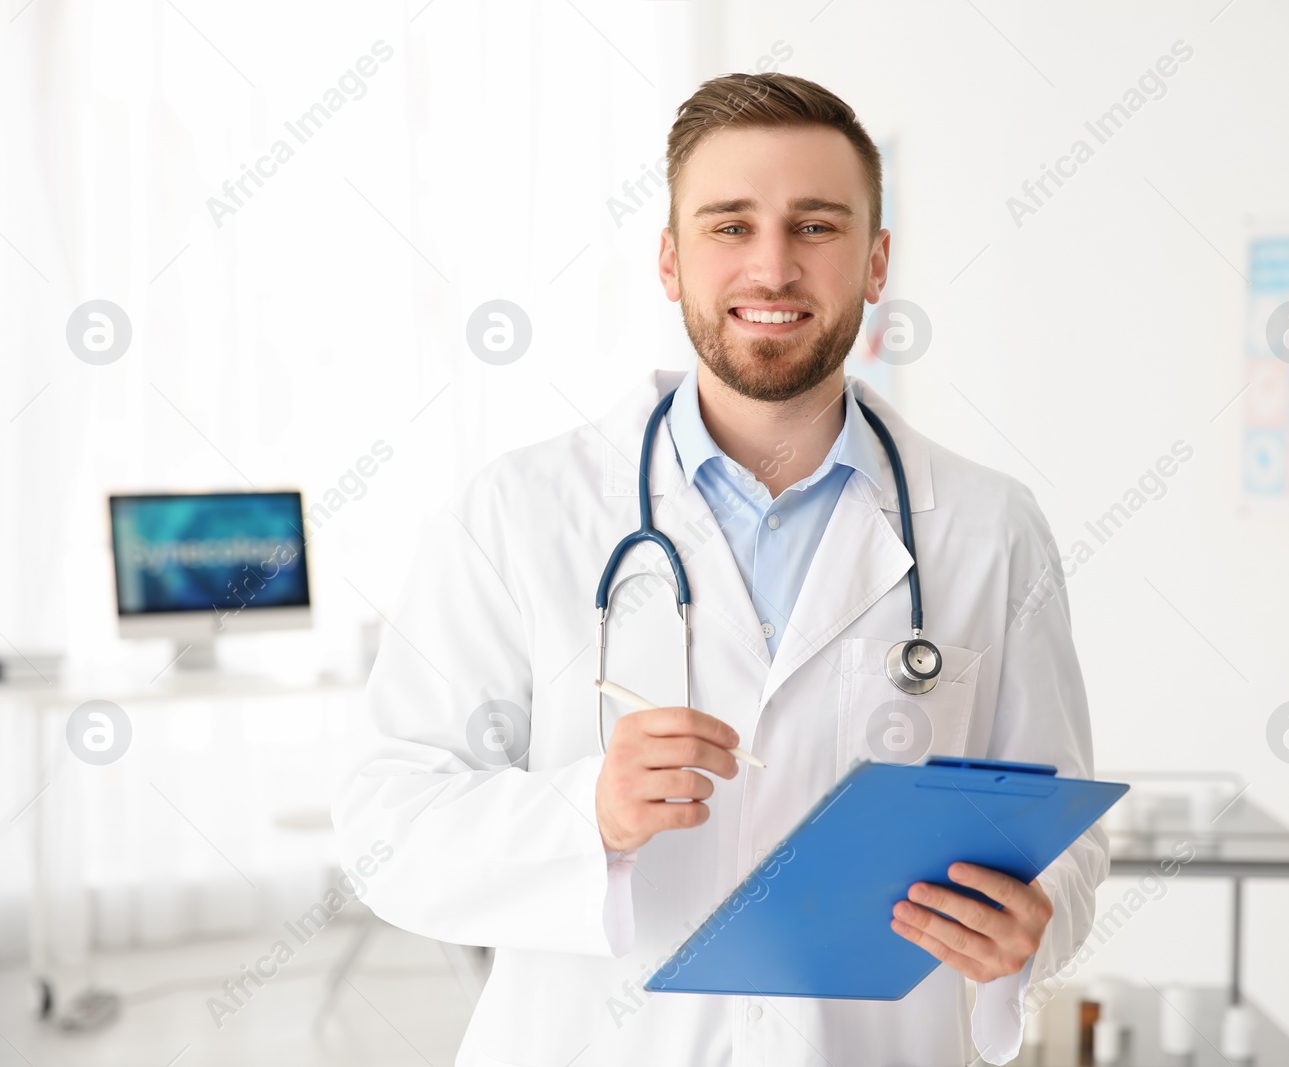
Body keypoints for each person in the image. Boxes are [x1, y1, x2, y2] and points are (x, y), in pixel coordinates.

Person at [333, 71, 1106, 1066]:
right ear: (669, 259)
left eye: (816, 226)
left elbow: (1063, 834)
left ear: (875, 262)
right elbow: (386, 826)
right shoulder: (519, 513)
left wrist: (1031, 926)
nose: (773, 267)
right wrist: (587, 813)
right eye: (729, 225)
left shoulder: (989, 527)